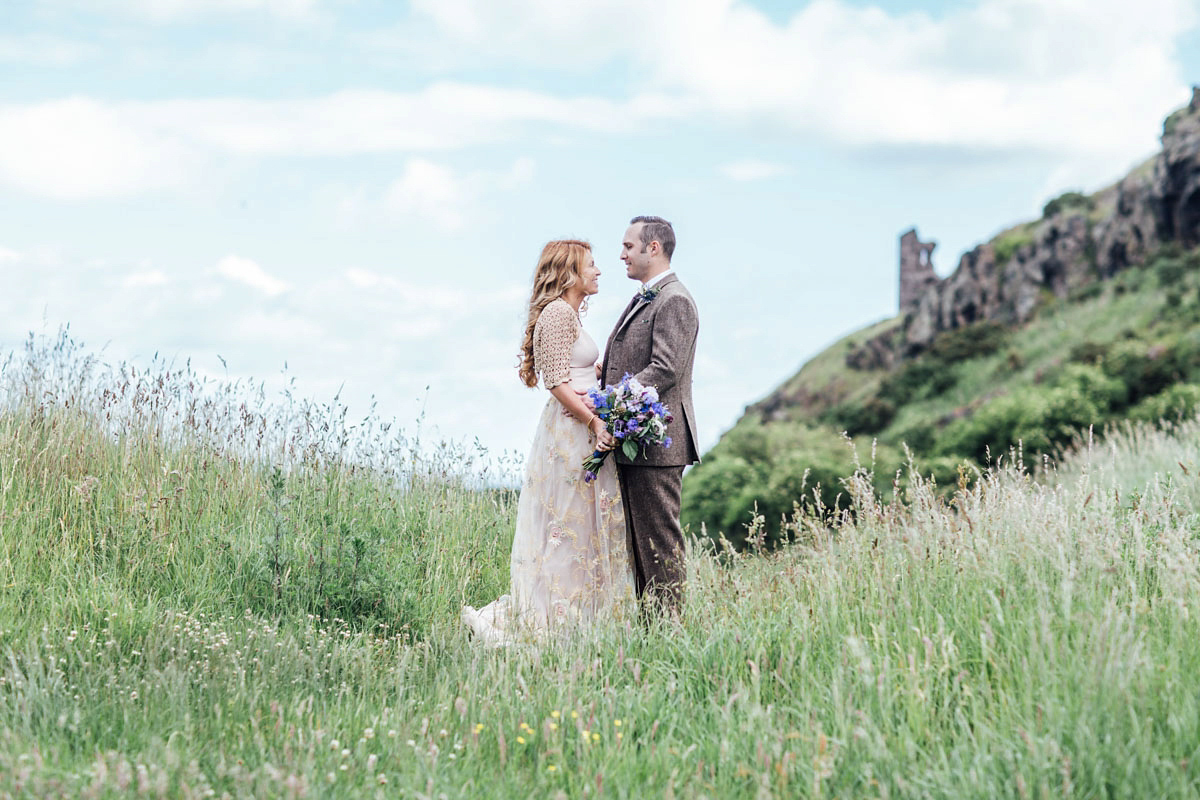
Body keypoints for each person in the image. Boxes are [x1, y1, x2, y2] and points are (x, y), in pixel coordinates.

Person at [462, 239, 635, 647]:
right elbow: (556, 382)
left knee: (580, 526)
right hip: (572, 431)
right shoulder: (558, 313)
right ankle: (553, 619)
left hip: (584, 425)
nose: (598, 271)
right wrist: (595, 421)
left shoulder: (569, 315)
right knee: (568, 526)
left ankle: (578, 616)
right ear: (571, 271)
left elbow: (570, 370)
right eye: (591, 265)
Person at [600, 215, 700, 618]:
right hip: (639, 443)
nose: (621, 254)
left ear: (652, 248)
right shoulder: (649, 295)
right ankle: (651, 637)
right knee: (641, 551)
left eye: (628, 246)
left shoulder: (673, 299)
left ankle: (670, 637)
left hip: (658, 446)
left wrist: (607, 403)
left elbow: (664, 369)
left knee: (660, 548)